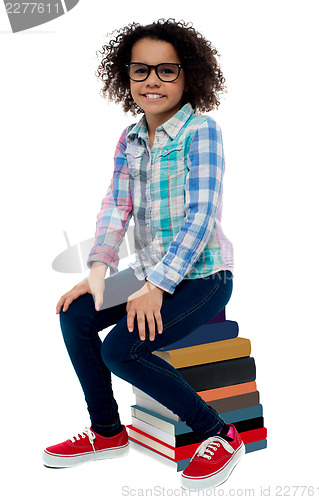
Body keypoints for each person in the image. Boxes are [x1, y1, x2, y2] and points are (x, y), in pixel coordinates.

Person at [42, 19, 245, 490]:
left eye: (166, 70)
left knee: (122, 349)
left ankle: (219, 432)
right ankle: (108, 433)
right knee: (75, 313)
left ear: (189, 75)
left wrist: (156, 287)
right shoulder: (130, 139)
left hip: (203, 276)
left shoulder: (202, 132)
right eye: (141, 70)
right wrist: (98, 270)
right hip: (146, 271)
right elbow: (116, 206)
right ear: (126, 76)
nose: (152, 80)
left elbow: (201, 216)